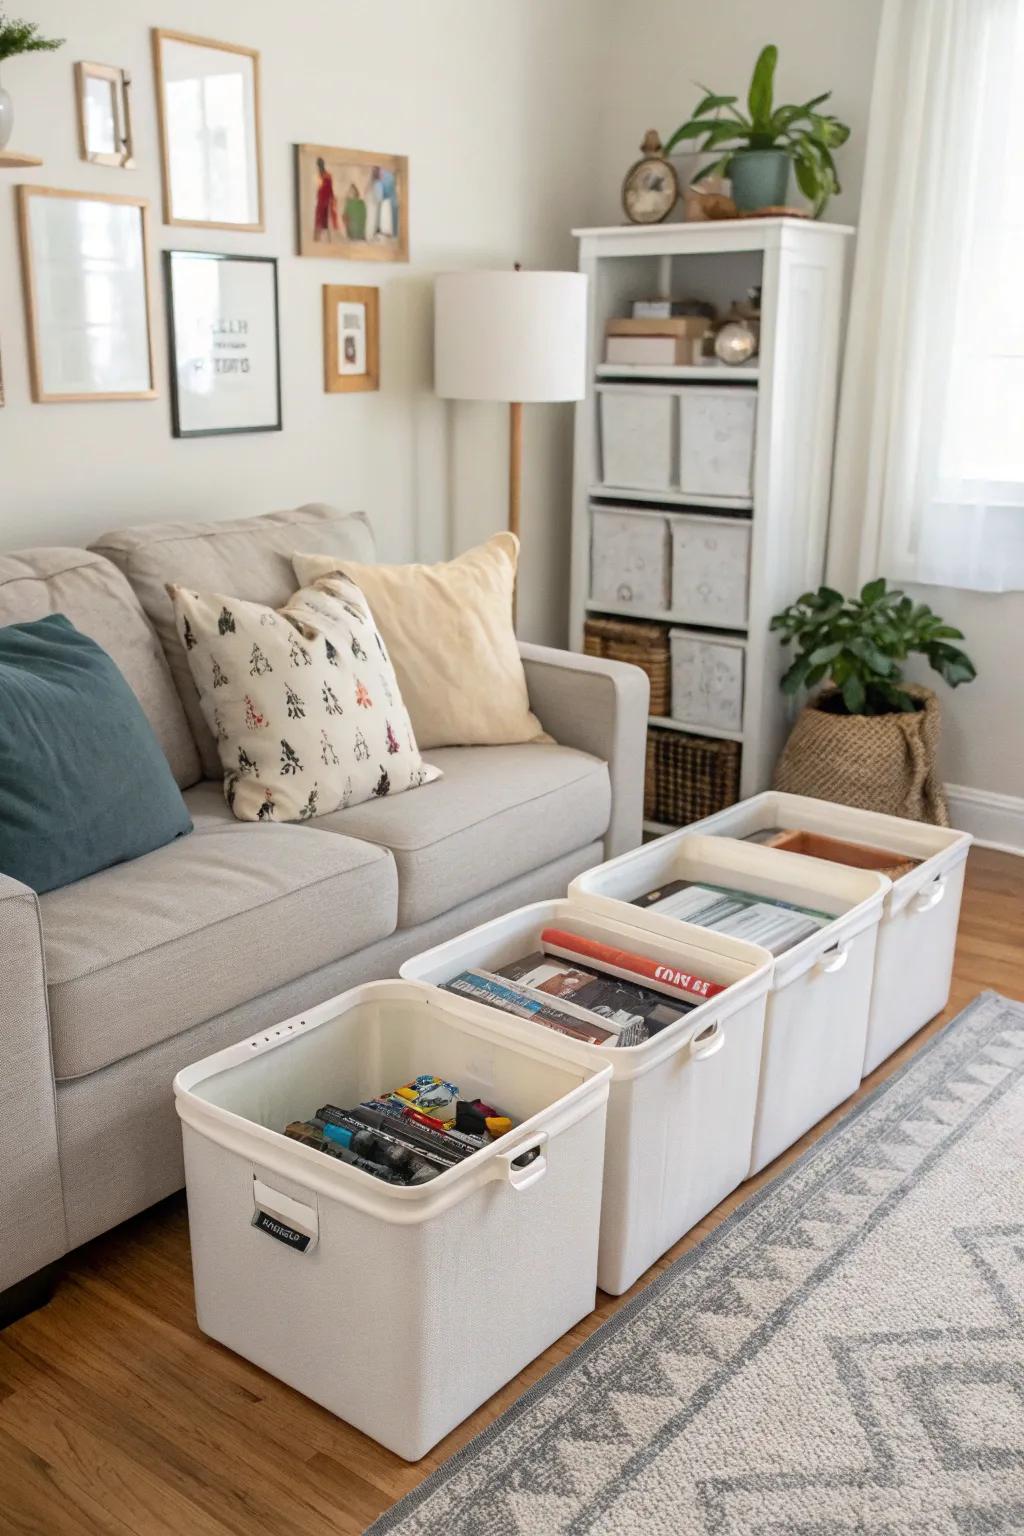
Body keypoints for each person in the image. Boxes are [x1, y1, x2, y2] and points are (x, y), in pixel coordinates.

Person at [313, 156, 339, 241]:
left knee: (327, 223)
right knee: (319, 223)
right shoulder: (319, 176)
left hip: (326, 202)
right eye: (318, 165)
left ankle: (327, 240)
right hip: (321, 202)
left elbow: (330, 189)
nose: (319, 167)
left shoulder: (327, 176)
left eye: (320, 165)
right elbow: (319, 189)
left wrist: (332, 200)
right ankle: (317, 240)